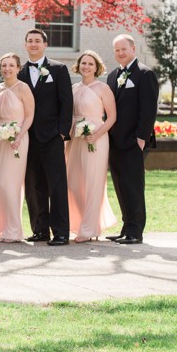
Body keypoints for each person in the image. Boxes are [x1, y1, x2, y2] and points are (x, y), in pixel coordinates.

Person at [17, 29, 73, 246]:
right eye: (29, 41)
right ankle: (40, 230)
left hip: (51, 136)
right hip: (28, 138)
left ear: (45, 44)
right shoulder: (20, 72)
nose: (33, 44)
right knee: (33, 185)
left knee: (56, 185)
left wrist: (62, 131)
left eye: (37, 41)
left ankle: (60, 232)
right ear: (25, 45)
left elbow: (66, 102)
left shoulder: (58, 69)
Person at [105, 34, 158, 245]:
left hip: (134, 141)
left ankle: (136, 232)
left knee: (133, 186)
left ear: (133, 49)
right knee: (120, 185)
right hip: (115, 141)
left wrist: (141, 138)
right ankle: (126, 228)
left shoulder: (145, 74)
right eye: (117, 50)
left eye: (123, 49)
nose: (120, 53)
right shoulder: (112, 76)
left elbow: (149, 110)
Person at [0, 53, 35, 242]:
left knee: (9, 184)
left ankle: (14, 230)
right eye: (4, 65)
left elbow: (29, 116)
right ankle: (1, 228)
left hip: (17, 139)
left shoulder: (23, 89)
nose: (7, 69)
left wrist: (19, 136)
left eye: (11, 65)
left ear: (18, 68)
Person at [66, 50, 117, 243]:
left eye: (90, 64)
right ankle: (84, 223)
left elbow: (112, 117)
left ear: (97, 67)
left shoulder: (102, 89)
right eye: (83, 63)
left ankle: (88, 229)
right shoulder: (74, 88)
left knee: (93, 182)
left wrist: (96, 134)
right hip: (75, 137)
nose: (86, 66)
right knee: (73, 183)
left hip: (96, 137)